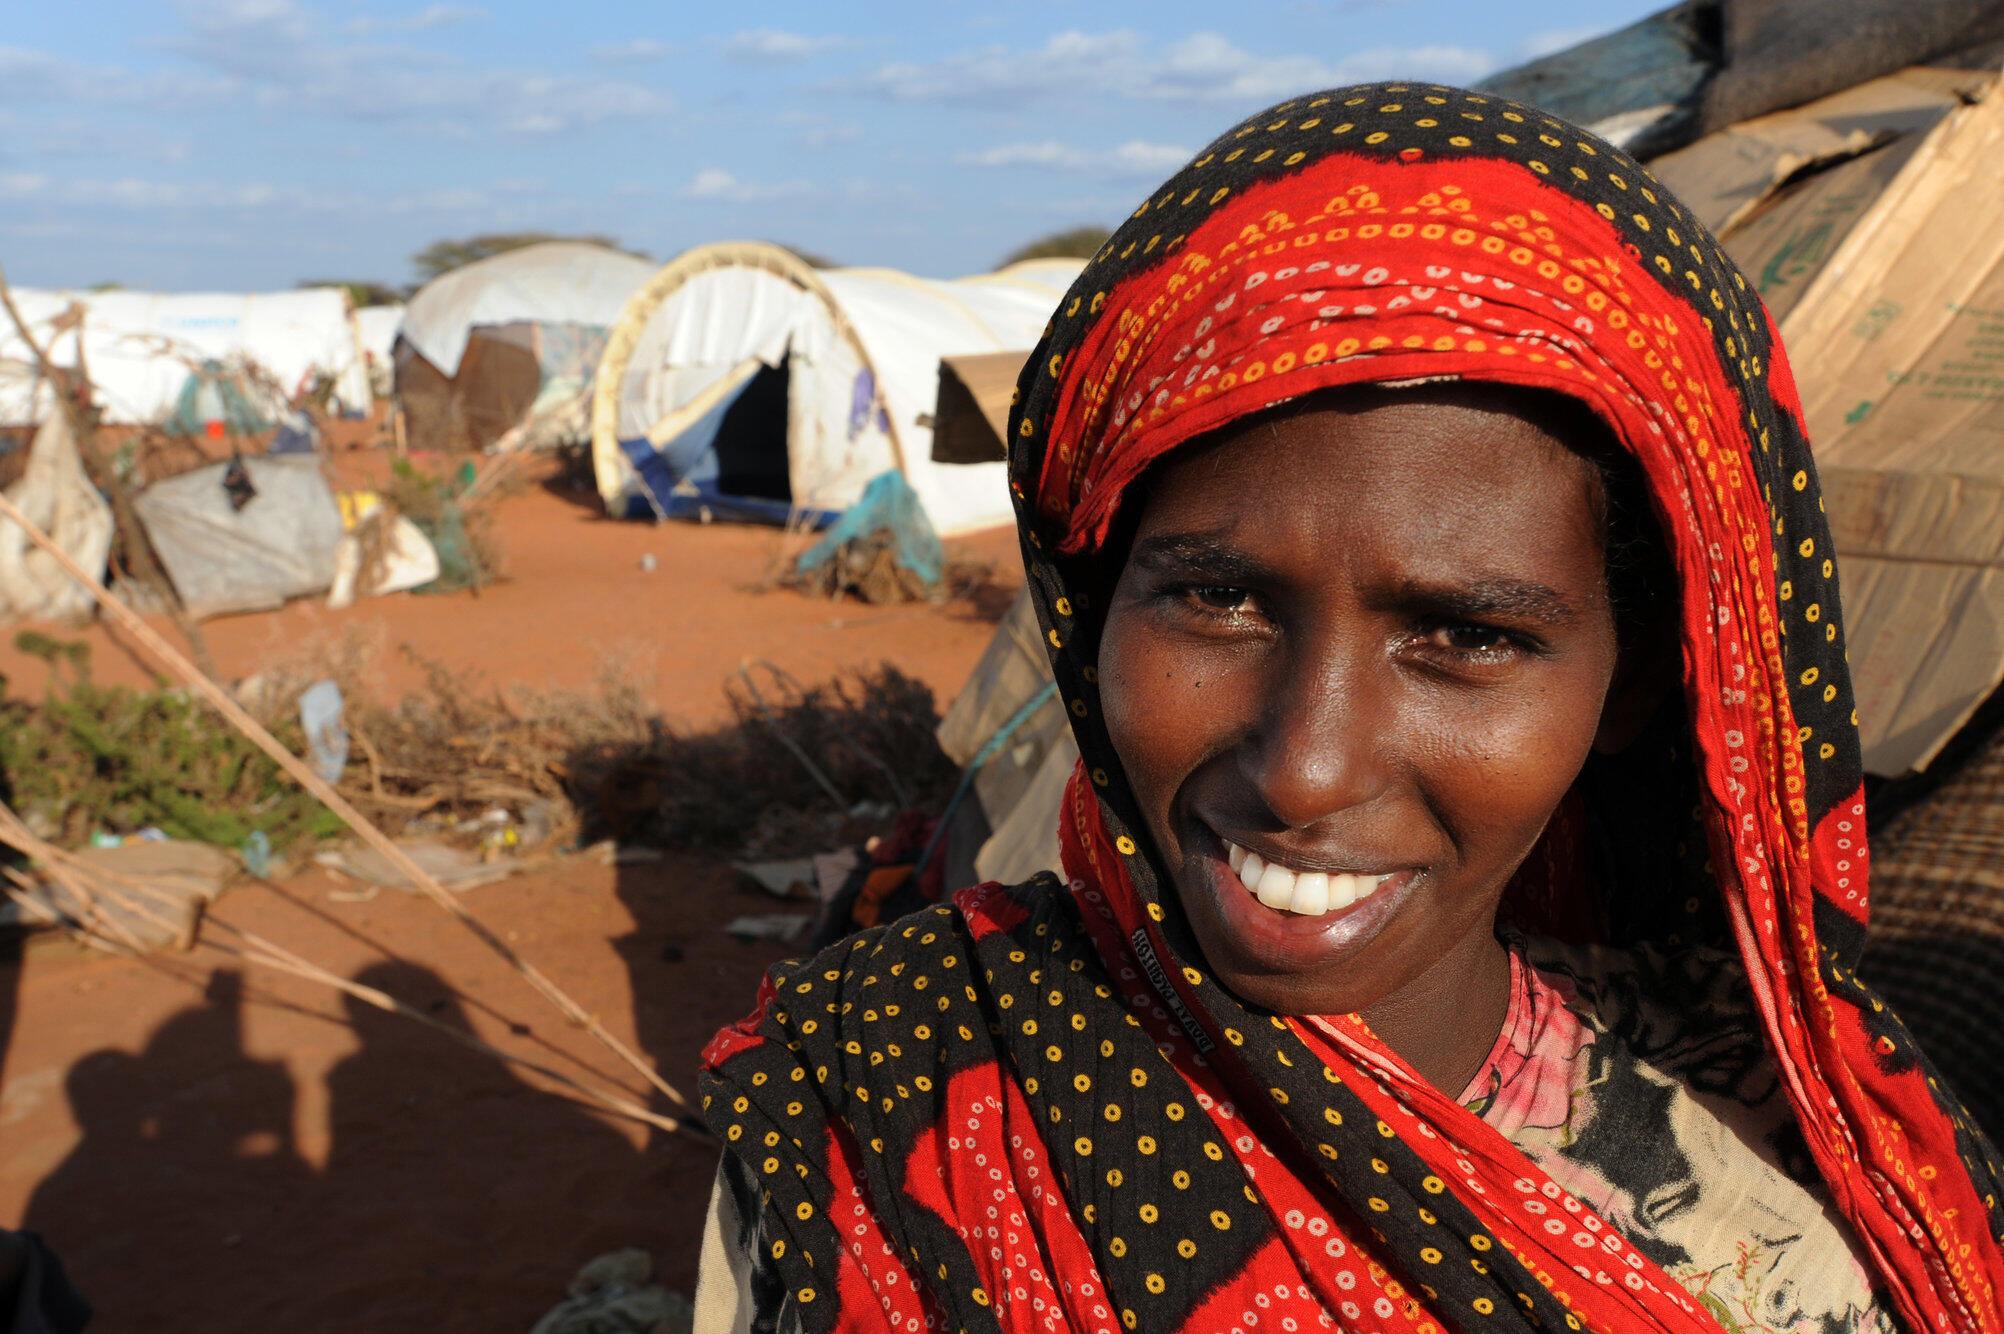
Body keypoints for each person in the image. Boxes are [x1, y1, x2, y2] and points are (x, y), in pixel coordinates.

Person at [693, 82, 2004, 1333]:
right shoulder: (873, 1093)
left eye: (1468, 636)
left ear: (1640, 681)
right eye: (1216, 599)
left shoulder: (1809, 1148)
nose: (1306, 769)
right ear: (1094, 611)